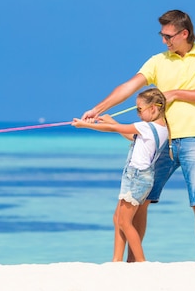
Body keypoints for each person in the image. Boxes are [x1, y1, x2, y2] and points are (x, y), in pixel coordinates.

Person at [81, 9, 195, 263]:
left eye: (169, 36)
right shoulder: (158, 60)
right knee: (140, 200)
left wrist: (177, 93)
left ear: (184, 33)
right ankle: (132, 263)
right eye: (162, 35)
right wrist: (97, 109)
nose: (164, 41)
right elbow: (129, 86)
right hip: (162, 142)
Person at [72, 88, 169, 262]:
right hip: (141, 178)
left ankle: (141, 261)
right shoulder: (161, 129)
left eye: (140, 109)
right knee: (118, 217)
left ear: (153, 108)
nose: (138, 113)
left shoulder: (146, 127)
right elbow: (130, 136)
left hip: (136, 177)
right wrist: (111, 120)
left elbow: (113, 128)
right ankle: (116, 260)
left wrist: (85, 125)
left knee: (124, 222)